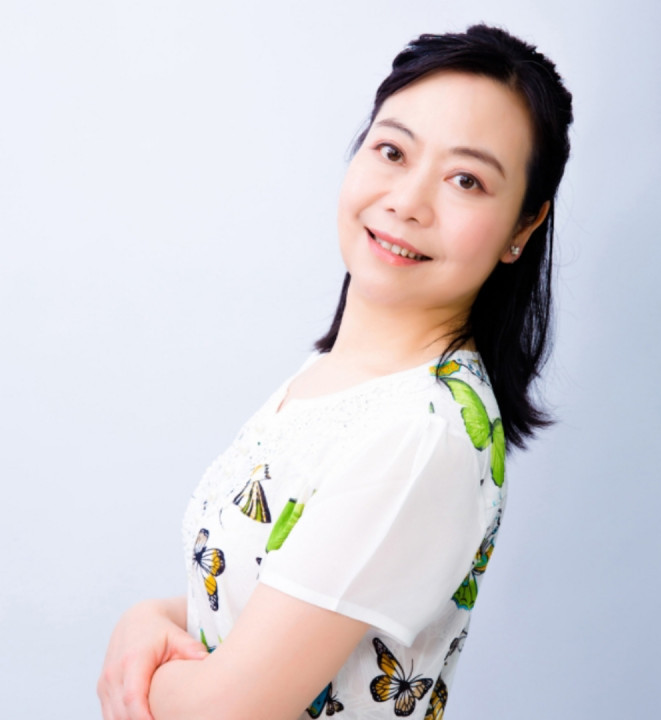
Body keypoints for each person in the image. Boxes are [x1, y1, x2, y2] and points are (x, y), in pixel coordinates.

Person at [98, 23, 573, 720]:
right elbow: (254, 605)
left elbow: (225, 713)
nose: (407, 201)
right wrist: (147, 619)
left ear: (523, 227)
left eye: (466, 180)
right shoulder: (342, 377)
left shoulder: (419, 434)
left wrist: (144, 674)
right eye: (393, 150)